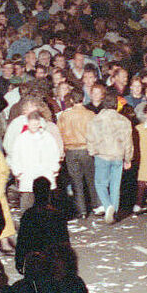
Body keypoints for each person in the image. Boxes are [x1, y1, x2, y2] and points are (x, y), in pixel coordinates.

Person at [6, 101, 64, 212]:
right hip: (27, 174)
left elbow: (54, 154)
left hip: (44, 174)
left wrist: (53, 169)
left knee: (45, 202)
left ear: (39, 123)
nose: (34, 125)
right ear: (27, 123)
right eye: (32, 123)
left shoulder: (47, 137)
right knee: (27, 202)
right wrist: (17, 171)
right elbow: (16, 156)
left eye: (36, 123)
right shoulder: (21, 138)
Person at [86, 92, 133, 223]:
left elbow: (90, 138)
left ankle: (108, 206)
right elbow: (128, 142)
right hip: (118, 156)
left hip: (102, 155)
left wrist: (91, 151)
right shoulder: (124, 121)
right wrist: (128, 158)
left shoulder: (95, 120)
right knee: (115, 185)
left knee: (100, 184)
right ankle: (114, 213)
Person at [57, 91, 98, 219]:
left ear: (71, 101)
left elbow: (60, 133)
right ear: (83, 98)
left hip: (70, 151)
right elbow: (95, 133)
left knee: (76, 181)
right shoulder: (90, 114)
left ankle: (82, 211)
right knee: (91, 179)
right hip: (86, 149)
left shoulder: (64, 116)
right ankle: (96, 206)